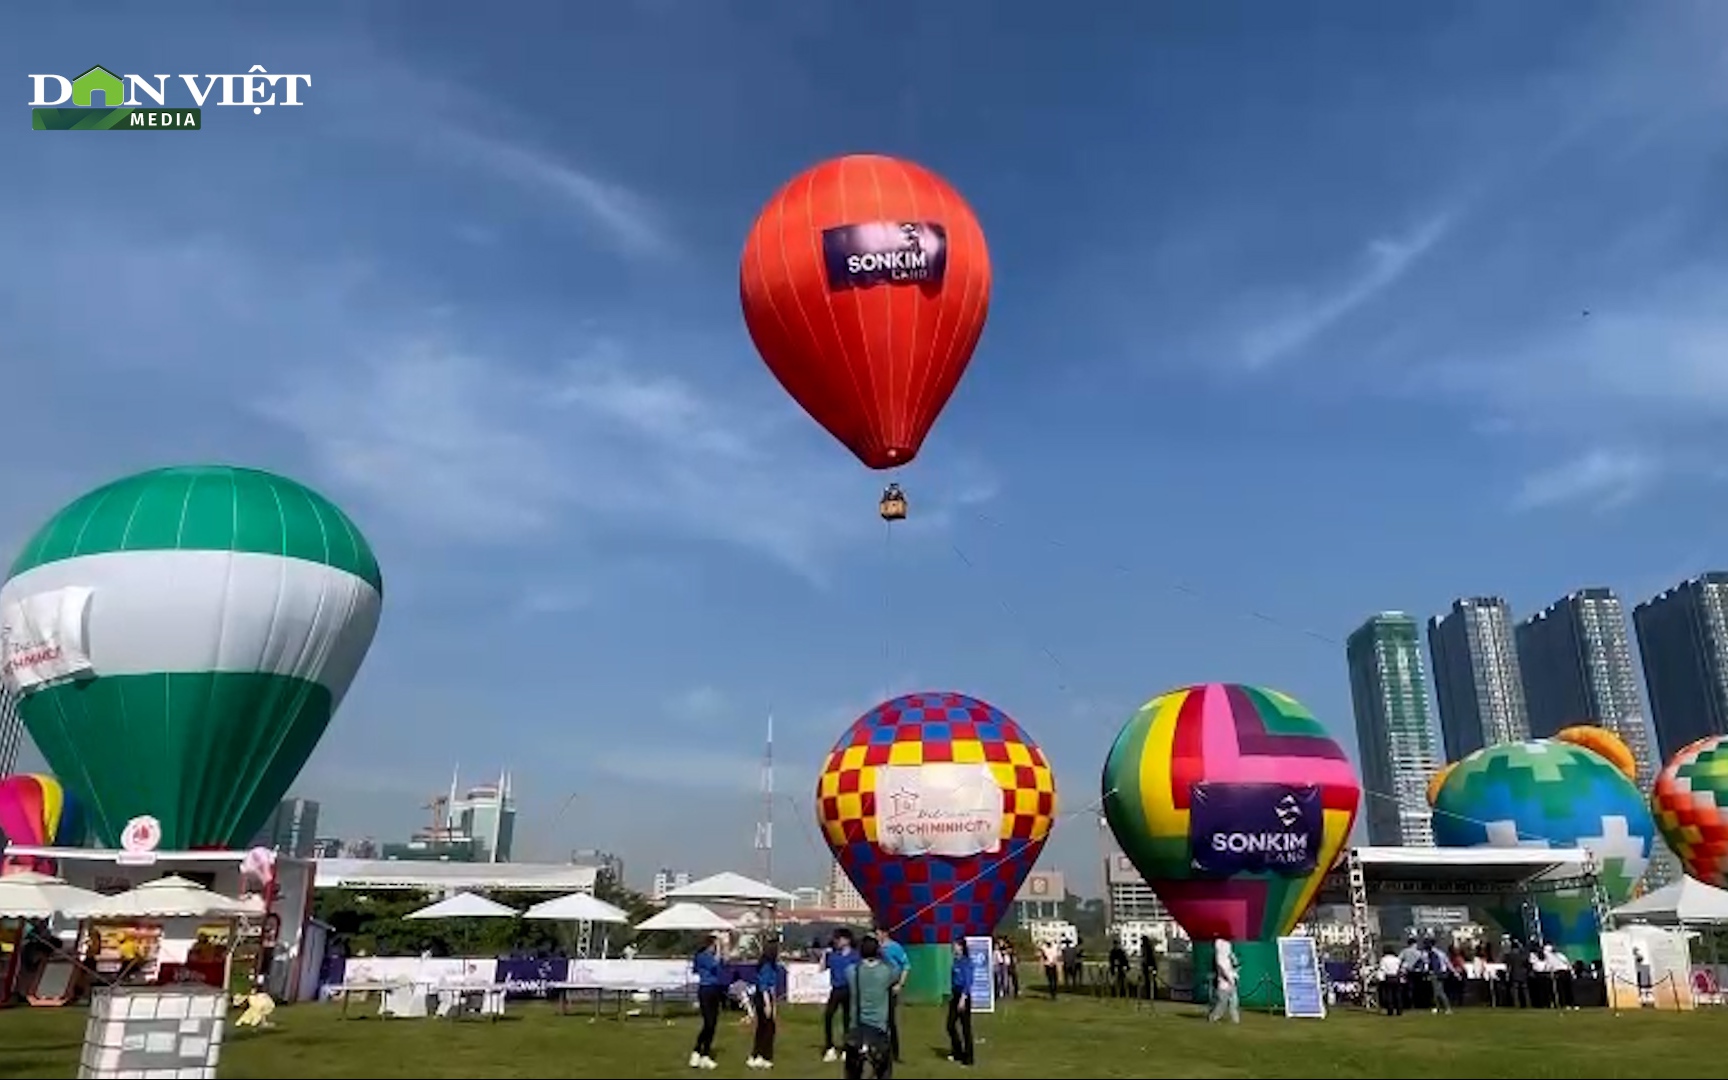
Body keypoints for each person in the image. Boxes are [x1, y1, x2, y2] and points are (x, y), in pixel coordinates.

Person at [844, 935, 897, 1080]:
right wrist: (883, 953)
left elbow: (851, 965)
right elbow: (896, 969)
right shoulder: (885, 971)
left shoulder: (851, 971)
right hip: (879, 1028)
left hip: (856, 1027)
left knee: (852, 1073)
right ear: (877, 951)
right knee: (883, 1072)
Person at [821, 931, 859, 1062]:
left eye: (839, 939)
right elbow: (822, 968)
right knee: (828, 1016)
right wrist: (824, 954)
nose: (837, 942)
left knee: (847, 1019)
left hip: (850, 989)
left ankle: (847, 1048)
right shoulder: (833, 955)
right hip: (836, 989)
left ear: (847, 940)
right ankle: (829, 1046)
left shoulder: (855, 955)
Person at [689, 936, 725, 1070]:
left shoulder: (709, 956)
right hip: (706, 990)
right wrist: (720, 950)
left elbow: (722, 964)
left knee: (713, 1024)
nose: (716, 947)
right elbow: (714, 964)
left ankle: (705, 1054)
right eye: (715, 945)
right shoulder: (704, 956)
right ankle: (697, 1050)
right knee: (708, 1023)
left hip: (715, 989)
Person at [876, 926, 909, 1063]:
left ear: (885, 933)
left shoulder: (895, 947)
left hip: (891, 987)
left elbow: (906, 965)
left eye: (878, 933)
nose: (877, 936)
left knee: (890, 1021)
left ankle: (894, 1054)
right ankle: (879, 1050)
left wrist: (900, 984)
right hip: (879, 988)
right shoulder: (877, 948)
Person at [746, 942, 779, 1069]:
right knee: (767, 1028)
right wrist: (768, 1004)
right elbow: (764, 986)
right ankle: (763, 1056)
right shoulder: (766, 966)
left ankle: (756, 1055)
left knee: (764, 1027)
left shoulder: (771, 965)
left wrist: (774, 1004)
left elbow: (772, 987)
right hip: (763, 997)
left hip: (767, 997)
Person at [946, 940, 975, 1066]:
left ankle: (969, 1058)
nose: (954, 947)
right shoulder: (955, 961)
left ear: (962, 947)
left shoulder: (966, 962)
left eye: (956, 946)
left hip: (964, 996)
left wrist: (963, 999)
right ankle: (957, 1051)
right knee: (950, 1025)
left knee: (965, 1028)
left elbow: (968, 981)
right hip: (955, 994)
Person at [1207, 938, 1239, 1023]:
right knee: (1222, 1004)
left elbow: (1234, 966)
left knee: (1234, 1003)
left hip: (1231, 983)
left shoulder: (1228, 958)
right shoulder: (1220, 960)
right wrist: (1229, 979)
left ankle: (1235, 1020)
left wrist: (1235, 962)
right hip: (1224, 985)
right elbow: (1222, 971)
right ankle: (1213, 1018)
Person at [1424, 938, 1452, 1015]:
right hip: (1442, 972)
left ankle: (1447, 1008)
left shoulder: (1432, 953)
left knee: (1439, 992)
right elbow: (1447, 963)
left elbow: (1431, 964)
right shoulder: (1441, 953)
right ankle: (1438, 1007)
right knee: (1436, 992)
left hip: (1436, 973)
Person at [1377, 945, 1403, 1015]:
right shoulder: (1396, 959)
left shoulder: (1384, 959)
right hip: (1396, 977)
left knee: (1389, 994)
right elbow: (1400, 968)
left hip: (1388, 977)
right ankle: (1399, 1010)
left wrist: (1380, 978)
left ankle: (1390, 1010)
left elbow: (1382, 969)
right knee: (1397, 994)